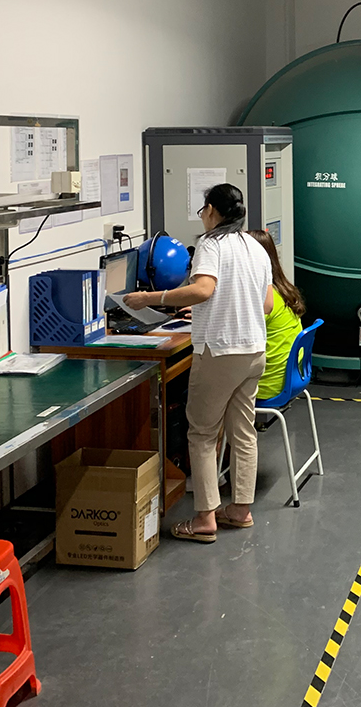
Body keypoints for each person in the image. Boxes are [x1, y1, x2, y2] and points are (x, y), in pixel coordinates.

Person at [124, 184, 272, 543]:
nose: (202, 215)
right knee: (243, 432)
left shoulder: (211, 244)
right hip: (253, 350)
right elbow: (266, 305)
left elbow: (204, 289)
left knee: (203, 434)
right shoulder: (255, 245)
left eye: (204, 210)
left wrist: (150, 298)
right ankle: (240, 510)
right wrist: (221, 307)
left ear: (211, 211)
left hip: (220, 352)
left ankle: (205, 518)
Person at [247, 230, 305, 402]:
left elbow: (239, 331)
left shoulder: (263, 298)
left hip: (267, 385)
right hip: (291, 379)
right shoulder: (283, 289)